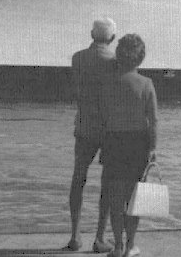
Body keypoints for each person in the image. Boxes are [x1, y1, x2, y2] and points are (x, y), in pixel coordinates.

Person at [101, 34, 157, 257]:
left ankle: (117, 245)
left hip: (113, 141)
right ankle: (130, 245)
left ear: (118, 55)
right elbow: (153, 121)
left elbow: (102, 116)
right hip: (138, 144)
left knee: (115, 198)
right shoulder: (146, 84)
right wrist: (153, 149)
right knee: (135, 199)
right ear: (141, 58)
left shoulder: (109, 83)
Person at [65, 18, 118, 253]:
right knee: (107, 182)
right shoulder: (116, 62)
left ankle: (75, 236)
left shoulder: (77, 58)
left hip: (84, 124)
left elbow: (76, 88)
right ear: (112, 38)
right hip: (108, 128)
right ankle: (99, 238)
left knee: (79, 177)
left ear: (91, 34)